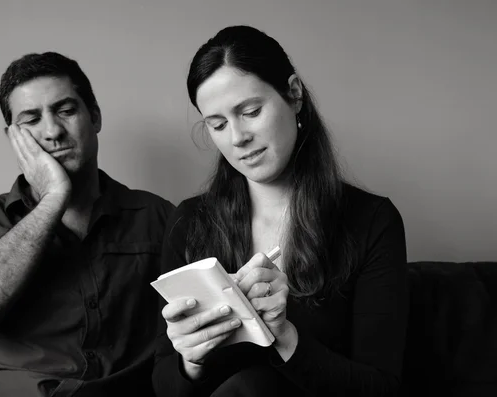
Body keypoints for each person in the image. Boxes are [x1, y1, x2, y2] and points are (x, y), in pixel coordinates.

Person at [152, 25, 408, 397]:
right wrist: (190, 361)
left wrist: (285, 337)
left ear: (294, 94)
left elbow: (381, 388)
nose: (238, 137)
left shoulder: (370, 221)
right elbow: (164, 388)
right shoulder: (189, 223)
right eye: (218, 124)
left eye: (251, 111)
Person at [0, 52, 174, 397]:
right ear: (12, 136)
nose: (53, 131)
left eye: (66, 111)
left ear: (95, 117)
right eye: (31, 120)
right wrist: (54, 197)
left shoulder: (156, 215)